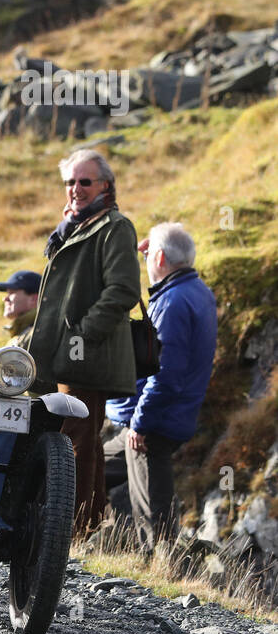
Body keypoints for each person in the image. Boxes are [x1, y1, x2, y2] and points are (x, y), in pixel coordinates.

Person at [24, 148, 141, 536]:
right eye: (70, 182)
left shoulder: (114, 226)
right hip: (66, 352)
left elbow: (122, 290)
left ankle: (68, 530)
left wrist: (81, 334)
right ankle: (86, 526)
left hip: (84, 353)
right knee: (82, 439)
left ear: (105, 185)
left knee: (75, 439)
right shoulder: (76, 225)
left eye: (84, 181)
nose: (75, 189)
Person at [103, 223, 217, 550]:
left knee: (154, 509)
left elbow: (167, 375)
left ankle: (163, 568)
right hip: (162, 417)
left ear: (161, 257)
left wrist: (140, 423)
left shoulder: (174, 301)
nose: (146, 261)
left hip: (154, 423)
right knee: (88, 468)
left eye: (149, 254)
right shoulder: (196, 292)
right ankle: (71, 534)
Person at [0, 269, 41, 533]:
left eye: (13, 293)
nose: (6, 299)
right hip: (22, 409)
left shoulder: (33, 334)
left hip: (28, 413)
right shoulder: (24, 331)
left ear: (34, 299)